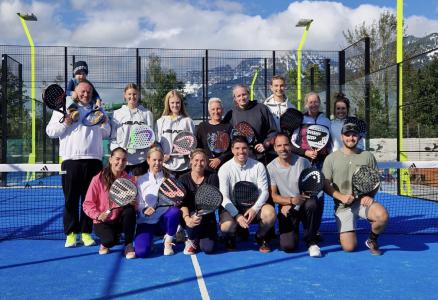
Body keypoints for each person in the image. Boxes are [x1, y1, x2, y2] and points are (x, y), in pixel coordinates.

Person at [46, 80, 111, 248]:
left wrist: (104, 121)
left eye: (89, 91)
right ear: (75, 92)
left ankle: (86, 233)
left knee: (89, 201)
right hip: (71, 161)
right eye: (82, 91)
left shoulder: (98, 110)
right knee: (70, 200)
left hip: (94, 162)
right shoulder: (64, 109)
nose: (86, 94)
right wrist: (66, 122)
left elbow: (106, 133)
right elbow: (50, 131)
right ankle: (71, 234)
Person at [322, 121, 389, 255]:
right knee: (349, 248)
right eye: (347, 135)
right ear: (342, 137)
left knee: (382, 216)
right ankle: (343, 230)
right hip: (343, 207)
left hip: (362, 203)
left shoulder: (368, 156)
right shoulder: (331, 158)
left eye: (354, 135)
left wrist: (369, 196)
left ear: (359, 137)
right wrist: (340, 196)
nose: (351, 138)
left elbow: (375, 181)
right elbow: (325, 183)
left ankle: (372, 240)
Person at [218, 136, 276, 252]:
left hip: (254, 208)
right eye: (237, 148)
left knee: (270, 214)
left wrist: (254, 209)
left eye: (244, 148)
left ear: (249, 149)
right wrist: (237, 215)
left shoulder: (258, 166)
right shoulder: (224, 169)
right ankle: (231, 237)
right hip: (233, 208)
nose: (241, 151)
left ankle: (260, 237)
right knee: (226, 226)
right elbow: (224, 197)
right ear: (232, 150)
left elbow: (264, 192)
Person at [267, 133, 322, 257]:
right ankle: (292, 231)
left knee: (312, 204)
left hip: (304, 202)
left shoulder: (303, 162)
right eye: (279, 146)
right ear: (275, 148)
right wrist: (290, 201)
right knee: (288, 246)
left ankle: (311, 241)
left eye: (286, 144)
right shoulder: (270, 168)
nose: (283, 148)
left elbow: (310, 189)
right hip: (287, 206)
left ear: (291, 146)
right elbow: (274, 196)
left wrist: (297, 202)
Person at [83, 147, 136, 259]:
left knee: (130, 211)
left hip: (119, 220)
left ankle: (129, 245)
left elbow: (136, 203)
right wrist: (97, 215)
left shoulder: (129, 180)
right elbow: (87, 204)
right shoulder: (97, 179)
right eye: (117, 159)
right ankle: (107, 241)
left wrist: (133, 203)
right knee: (110, 241)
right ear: (110, 159)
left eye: (124, 160)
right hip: (103, 221)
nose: (120, 162)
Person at [134, 147, 181, 257]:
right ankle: (151, 238)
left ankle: (168, 242)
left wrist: (175, 202)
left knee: (174, 212)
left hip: (162, 222)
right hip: (145, 223)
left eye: (160, 160)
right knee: (142, 252)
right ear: (148, 160)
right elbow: (138, 204)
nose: (157, 163)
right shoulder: (140, 181)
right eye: (154, 160)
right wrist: (144, 210)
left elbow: (174, 200)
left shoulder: (170, 179)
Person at [179, 149, 219, 255]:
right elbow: (182, 203)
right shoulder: (182, 179)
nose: (199, 163)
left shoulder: (212, 177)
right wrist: (188, 218)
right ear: (191, 161)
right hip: (189, 216)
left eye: (202, 161)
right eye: (196, 160)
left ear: (206, 162)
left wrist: (199, 213)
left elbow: (213, 201)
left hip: (207, 218)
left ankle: (197, 237)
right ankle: (190, 237)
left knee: (207, 249)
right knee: (191, 225)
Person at [223, 84, 277, 163]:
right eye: (238, 96)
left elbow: (273, 131)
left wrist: (266, 144)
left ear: (248, 94)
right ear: (234, 98)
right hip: (239, 159)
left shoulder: (262, 108)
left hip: (260, 157)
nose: (242, 98)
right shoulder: (231, 114)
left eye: (244, 94)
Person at [110, 83, 154, 176]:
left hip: (140, 160)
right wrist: (119, 153)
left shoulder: (146, 113)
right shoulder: (117, 113)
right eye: (129, 94)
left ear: (138, 95)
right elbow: (113, 138)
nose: (132, 96)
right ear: (125, 95)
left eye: (134, 94)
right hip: (121, 162)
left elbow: (151, 137)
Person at [156, 90, 196, 178]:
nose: (175, 105)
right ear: (168, 104)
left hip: (185, 167)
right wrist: (162, 156)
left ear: (181, 103)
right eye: (172, 103)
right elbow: (158, 143)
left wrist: (189, 156)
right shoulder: (160, 121)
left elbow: (192, 145)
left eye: (177, 102)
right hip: (166, 167)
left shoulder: (188, 121)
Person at [291, 92, 331, 168]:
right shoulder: (300, 120)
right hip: (304, 160)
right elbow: (293, 141)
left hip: (322, 161)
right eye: (311, 102)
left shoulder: (326, 121)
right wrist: (305, 152)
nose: (313, 104)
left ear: (319, 103)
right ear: (306, 104)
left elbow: (330, 143)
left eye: (316, 102)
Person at [195, 98, 232, 172]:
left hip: (224, 167)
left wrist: (219, 159)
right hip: (205, 168)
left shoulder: (228, 127)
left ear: (222, 110)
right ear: (209, 111)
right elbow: (197, 147)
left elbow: (232, 148)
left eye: (218, 109)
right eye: (213, 109)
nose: (216, 111)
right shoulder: (202, 126)